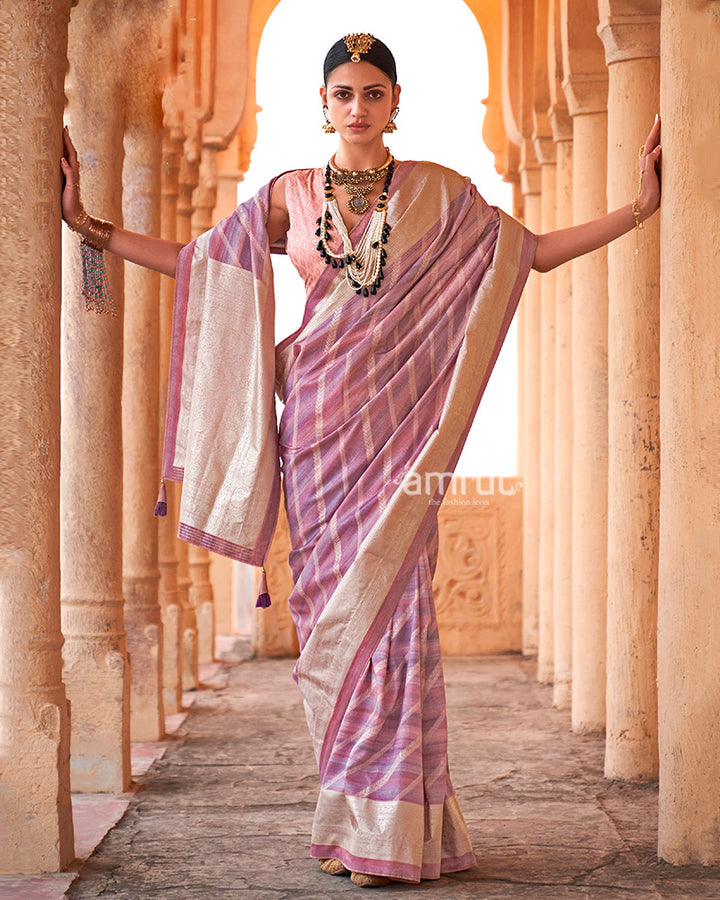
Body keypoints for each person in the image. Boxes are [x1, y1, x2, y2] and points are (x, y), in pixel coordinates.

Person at [61, 33, 661, 889]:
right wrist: (93, 229)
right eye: (343, 94)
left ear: (395, 102)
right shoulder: (291, 199)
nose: (357, 107)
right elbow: (200, 266)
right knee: (329, 625)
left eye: (372, 93)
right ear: (323, 104)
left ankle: (396, 832)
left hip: (401, 448)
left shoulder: (441, 200)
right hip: (315, 437)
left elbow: (529, 253)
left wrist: (641, 208)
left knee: (398, 614)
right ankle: (352, 822)